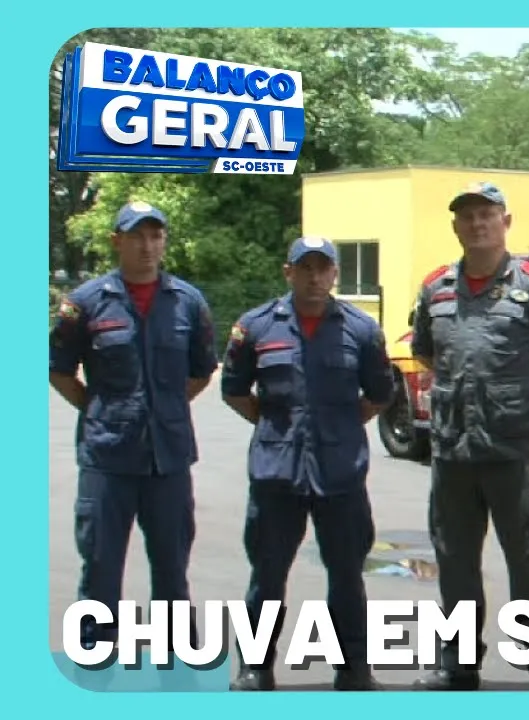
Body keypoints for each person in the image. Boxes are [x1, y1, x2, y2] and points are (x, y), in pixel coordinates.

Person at [410, 181, 529, 691]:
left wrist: (518, 395)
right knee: (455, 561)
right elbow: (426, 351)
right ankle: (458, 663)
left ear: (506, 221)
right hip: (453, 450)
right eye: (467, 216)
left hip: (512, 450)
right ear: (456, 226)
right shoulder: (436, 288)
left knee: (528, 559)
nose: (477, 224)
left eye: (487, 214)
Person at [49, 201, 218, 672]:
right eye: (137, 236)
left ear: (163, 240)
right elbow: (60, 371)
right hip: (107, 459)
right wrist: (101, 409)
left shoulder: (188, 302)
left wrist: (164, 408)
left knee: (171, 569)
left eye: (155, 236)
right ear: (116, 242)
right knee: (101, 568)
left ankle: (176, 665)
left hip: (169, 460)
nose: (147, 246)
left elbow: (202, 372)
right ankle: (94, 664)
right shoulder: (84, 303)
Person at [221, 236, 394, 691]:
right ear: (288, 272)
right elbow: (235, 390)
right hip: (277, 475)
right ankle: (255, 667)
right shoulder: (256, 327)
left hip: (340, 474)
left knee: (346, 576)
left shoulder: (361, 330)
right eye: (305, 268)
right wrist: (278, 427)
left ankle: (353, 667)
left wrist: (338, 427)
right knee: (268, 575)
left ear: (335, 274)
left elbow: (379, 394)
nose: (315, 277)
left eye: (324, 268)